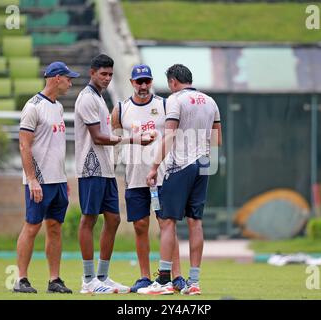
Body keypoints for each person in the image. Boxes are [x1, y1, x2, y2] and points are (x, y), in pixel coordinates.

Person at [140, 64, 222, 295]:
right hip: (203, 166)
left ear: (173, 82)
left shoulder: (175, 100)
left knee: (167, 222)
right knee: (195, 222)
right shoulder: (210, 101)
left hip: (180, 166)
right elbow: (218, 141)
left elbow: (169, 135)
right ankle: (194, 282)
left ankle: (164, 280)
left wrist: (154, 167)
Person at [74, 54, 152, 294]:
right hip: (91, 167)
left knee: (114, 219)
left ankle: (102, 276)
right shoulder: (86, 98)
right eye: (103, 74)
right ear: (92, 73)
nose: (107, 78)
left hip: (105, 169)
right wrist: (134, 139)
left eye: (110, 74)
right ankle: (88, 281)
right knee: (89, 219)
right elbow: (98, 137)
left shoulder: (99, 97)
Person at [111, 64, 186, 293]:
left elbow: (176, 136)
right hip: (134, 177)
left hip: (163, 176)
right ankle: (144, 277)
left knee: (167, 225)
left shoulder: (165, 105)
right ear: (132, 83)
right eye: (138, 81)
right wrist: (112, 168)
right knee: (140, 226)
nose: (143, 86)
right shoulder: (121, 109)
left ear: (151, 82)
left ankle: (177, 276)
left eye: (146, 81)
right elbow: (113, 141)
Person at [14, 61, 80, 294]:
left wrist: (64, 179)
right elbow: (24, 145)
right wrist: (32, 179)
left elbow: (55, 146)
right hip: (39, 181)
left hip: (58, 181)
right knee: (32, 226)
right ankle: (21, 279)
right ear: (55, 78)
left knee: (55, 228)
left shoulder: (59, 107)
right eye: (68, 78)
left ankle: (54, 280)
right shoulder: (32, 107)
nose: (71, 82)